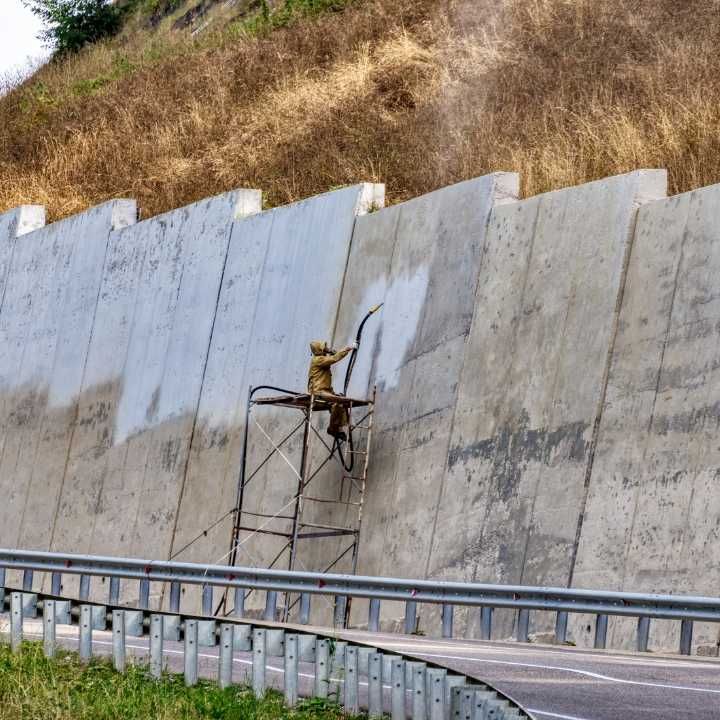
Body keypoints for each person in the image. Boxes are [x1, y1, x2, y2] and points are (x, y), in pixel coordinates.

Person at [308, 340, 357, 440]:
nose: (326, 348)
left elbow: (333, 355)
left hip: (326, 391)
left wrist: (332, 351)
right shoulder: (318, 360)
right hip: (318, 392)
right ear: (319, 349)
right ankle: (333, 428)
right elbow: (334, 358)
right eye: (323, 347)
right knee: (337, 401)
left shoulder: (321, 358)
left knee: (340, 401)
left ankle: (339, 427)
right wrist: (349, 348)